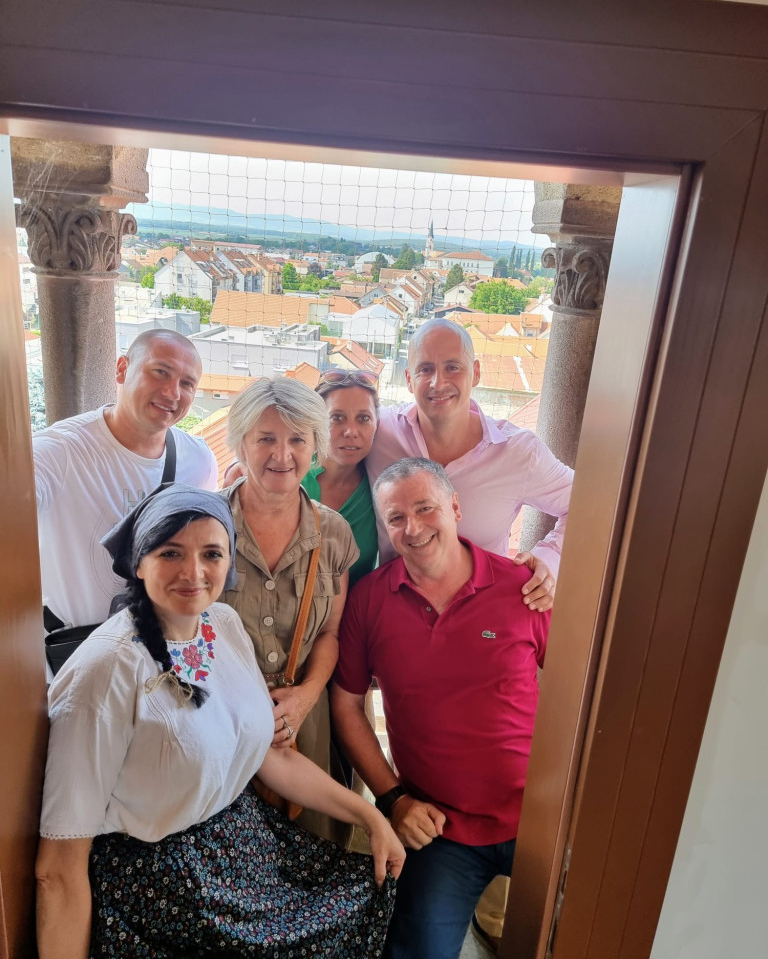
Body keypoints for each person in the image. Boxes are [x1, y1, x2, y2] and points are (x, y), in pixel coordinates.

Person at [36, 484, 404, 959]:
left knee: (367, 888)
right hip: (164, 888)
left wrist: (370, 817)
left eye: (211, 553)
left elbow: (269, 757)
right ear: (139, 563)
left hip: (242, 849)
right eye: (170, 553)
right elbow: (58, 868)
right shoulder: (105, 673)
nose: (193, 572)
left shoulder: (222, 624)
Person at [331, 458, 551, 959]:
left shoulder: (522, 588)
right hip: (440, 828)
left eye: (425, 508)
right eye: (396, 518)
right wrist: (394, 800)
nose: (413, 528)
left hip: (541, 818)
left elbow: (579, 688)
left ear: (455, 507)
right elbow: (346, 706)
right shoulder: (369, 601)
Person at [221, 377, 359, 845]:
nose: (282, 455)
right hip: (220, 723)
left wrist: (303, 699)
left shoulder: (334, 533)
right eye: (266, 438)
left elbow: (330, 634)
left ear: (315, 446)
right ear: (241, 442)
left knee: (309, 857)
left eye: (298, 439)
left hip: (300, 728)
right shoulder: (204, 524)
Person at [365, 317, 573, 613]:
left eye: (453, 367)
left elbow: (584, 505)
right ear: (409, 379)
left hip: (481, 618)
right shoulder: (379, 432)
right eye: (426, 369)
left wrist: (549, 561)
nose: (438, 383)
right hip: (395, 615)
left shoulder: (518, 453)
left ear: (475, 373)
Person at [33, 329, 217, 634]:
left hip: (160, 645)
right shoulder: (59, 451)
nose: (172, 393)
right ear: (122, 369)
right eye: (160, 372)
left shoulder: (199, 460)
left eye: (187, 383)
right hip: (74, 648)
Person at [302, 368, 380, 586]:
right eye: (337, 418)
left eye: (363, 418)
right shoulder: (292, 475)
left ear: (377, 424)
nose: (351, 431)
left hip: (355, 606)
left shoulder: (379, 485)